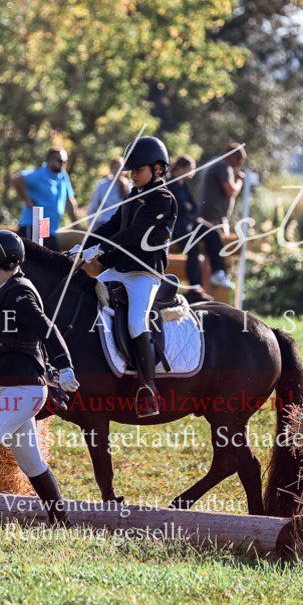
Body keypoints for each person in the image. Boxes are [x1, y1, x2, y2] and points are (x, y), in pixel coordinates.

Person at [0, 230, 80, 526]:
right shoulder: (4, 292)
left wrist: (64, 366)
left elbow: (47, 330)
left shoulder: (19, 293)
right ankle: (62, 520)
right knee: (30, 462)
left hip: (22, 390)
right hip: (15, 388)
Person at [84, 136, 177, 417]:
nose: (133, 175)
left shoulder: (163, 200)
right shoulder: (131, 196)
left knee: (137, 321)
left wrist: (99, 249)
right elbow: (111, 226)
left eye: (138, 170)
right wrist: (84, 244)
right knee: (83, 299)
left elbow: (133, 234)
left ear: (158, 168)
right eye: (131, 170)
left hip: (143, 273)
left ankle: (148, 388)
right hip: (118, 270)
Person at [197, 142, 248, 290]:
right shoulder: (223, 166)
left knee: (208, 255)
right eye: (239, 160)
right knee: (215, 252)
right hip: (214, 217)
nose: (238, 165)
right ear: (233, 156)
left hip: (207, 214)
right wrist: (240, 181)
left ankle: (203, 289)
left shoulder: (213, 164)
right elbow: (230, 190)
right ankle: (211, 288)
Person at [10, 147, 79, 250]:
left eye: (66, 161)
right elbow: (16, 179)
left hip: (48, 228)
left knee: (51, 261)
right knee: (32, 262)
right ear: (49, 160)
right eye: (60, 160)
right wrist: (28, 201)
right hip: (33, 225)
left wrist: (76, 224)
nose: (63, 163)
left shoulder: (63, 176)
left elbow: (70, 201)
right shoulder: (40, 174)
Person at [167, 155, 203, 289]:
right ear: (182, 168)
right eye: (190, 169)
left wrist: (187, 207)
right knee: (193, 248)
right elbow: (180, 208)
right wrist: (186, 207)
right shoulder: (170, 184)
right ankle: (195, 286)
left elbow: (193, 207)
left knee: (209, 234)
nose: (192, 172)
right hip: (175, 226)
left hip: (186, 223)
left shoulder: (184, 186)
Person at [87, 156, 130, 228]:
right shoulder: (102, 185)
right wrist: (94, 227)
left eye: (121, 168)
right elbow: (92, 209)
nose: (118, 171)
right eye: (116, 168)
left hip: (122, 227)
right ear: (111, 169)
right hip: (105, 225)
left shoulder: (129, 186)